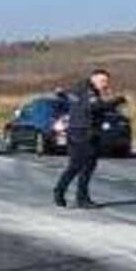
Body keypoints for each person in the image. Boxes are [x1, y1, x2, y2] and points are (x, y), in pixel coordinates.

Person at [54, 68, 125, 210]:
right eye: (102, 81)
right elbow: (95, 107)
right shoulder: (87, 90)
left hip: (77, 130)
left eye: (106, 82)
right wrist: (116, 101)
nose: (105, 84)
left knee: (76, 165)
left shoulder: (77, 88)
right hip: (83, 132)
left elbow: (65, 96)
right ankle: (81, 198)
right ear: (93, 78)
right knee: (87, 165)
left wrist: (61, 94)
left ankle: (60, 191)